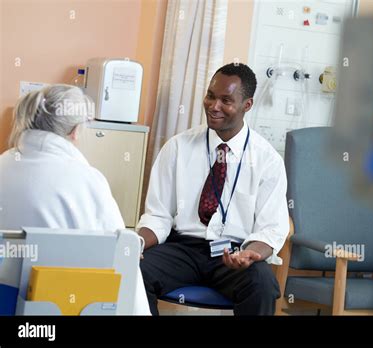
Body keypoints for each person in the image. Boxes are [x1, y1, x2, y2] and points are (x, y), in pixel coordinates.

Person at [138, 63, 290, 315]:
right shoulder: (178, 147)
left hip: (235, 252)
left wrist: (251, 253)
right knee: (134, 270)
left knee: (262, 283)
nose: (213, 105)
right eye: (210, 95)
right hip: (183, 248)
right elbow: (158, 215)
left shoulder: (267, 160)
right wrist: (138, 242)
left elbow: (271, 228)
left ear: (247, 105)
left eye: (226, 100)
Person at [0, 84, 150, 315]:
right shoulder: (87, 180)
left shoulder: (3, 164)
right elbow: (121, 254)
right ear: (75, 131)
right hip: (59, 305)